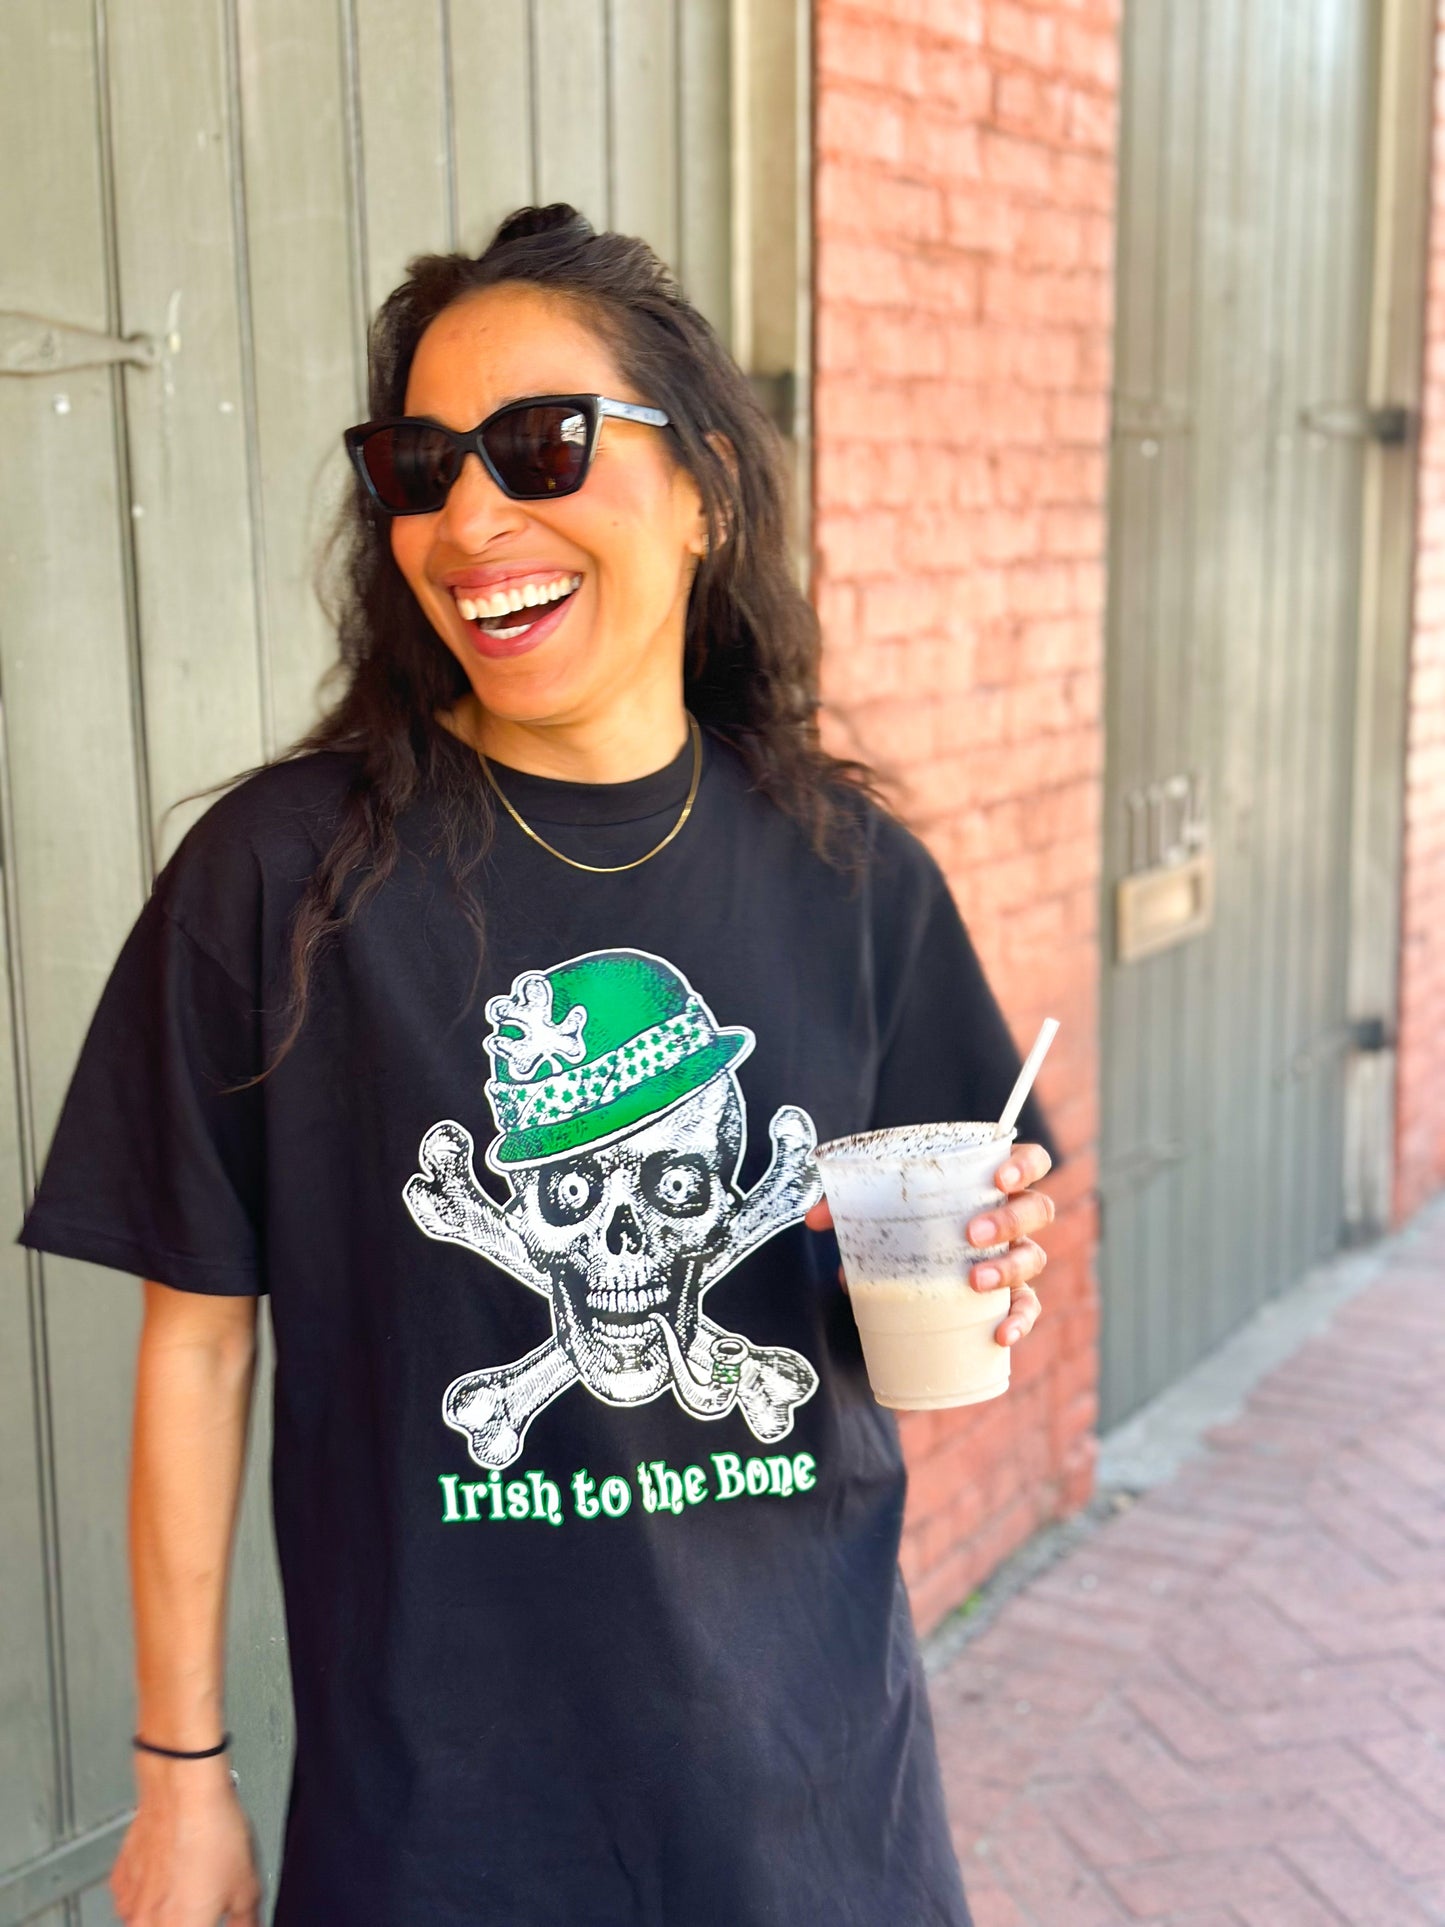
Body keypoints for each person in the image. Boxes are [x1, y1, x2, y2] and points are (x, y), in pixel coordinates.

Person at [19, 204, 1058, 1927]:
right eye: (421, 466)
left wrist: (984, 1268)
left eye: (541, 445)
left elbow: (925, 1275)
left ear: (705, 486)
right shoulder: (282, 881)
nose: (471, 516)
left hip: (813, 1803)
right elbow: (196, 1346)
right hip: (443, 1830)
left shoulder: (851, 874)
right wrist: (181, 1774)